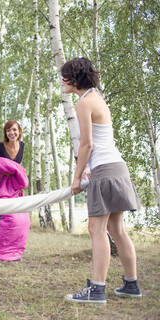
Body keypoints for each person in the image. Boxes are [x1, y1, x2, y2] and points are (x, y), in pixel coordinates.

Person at [62, 57, 142, 304]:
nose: (62, 81)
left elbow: (87, 144)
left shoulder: (84, 102)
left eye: (65, 77)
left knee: (96, 229)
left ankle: (97, 290)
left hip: (105, 170)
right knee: (116, 229)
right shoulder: (97, 97)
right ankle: (131, 285)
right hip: (118, 168)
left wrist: (77, 176)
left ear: (75, 80)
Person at [0, 120, 30, 261]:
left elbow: (16, 168)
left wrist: (15, 173)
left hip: (12, 187)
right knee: (10, 217)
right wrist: (2, 170)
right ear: (5, 133)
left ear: (19, 131)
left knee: (23, 218)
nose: (12, 133)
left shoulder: (22, 146)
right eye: (9, 130)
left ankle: (14, 251)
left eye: (14, 130)